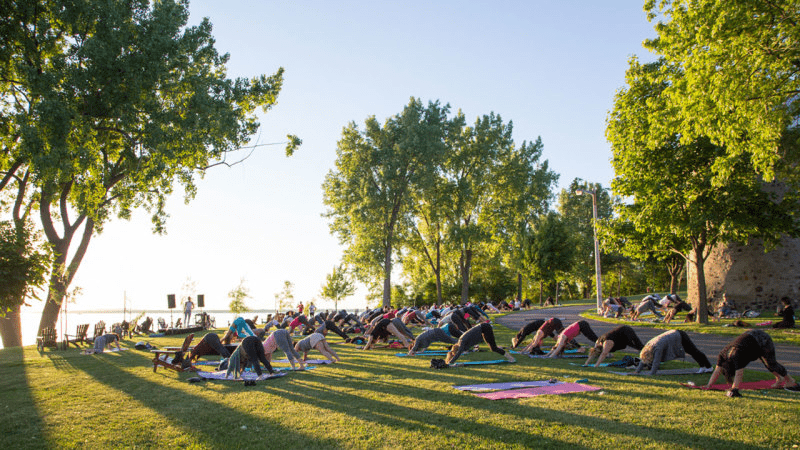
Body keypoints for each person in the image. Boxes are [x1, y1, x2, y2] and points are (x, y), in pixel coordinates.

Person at [705, 329, 800, 396]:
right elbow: (717, 370)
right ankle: (779, 379)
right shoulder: (722, 355)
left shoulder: (736, 357)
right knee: (768, 363)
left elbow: (739, 374)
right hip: (751, 340)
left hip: (762, 339)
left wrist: (734, 389)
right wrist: (709, 385)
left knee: (771, 363)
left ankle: (790, 380)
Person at [634, 330, 713, 375]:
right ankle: (702, 367)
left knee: (693, 350)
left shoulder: (657, 348)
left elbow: (656, 362)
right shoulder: (647, 348)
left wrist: (652, 373)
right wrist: (637, 371)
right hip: (673, 335)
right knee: (691, 352)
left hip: (679, 335)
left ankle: (709, 367)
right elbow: (643, 359)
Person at [444, 323, 516, 365]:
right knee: (493, 347)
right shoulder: (460, 342)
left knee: (493, 348)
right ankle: (510, 357)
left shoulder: (461, 343)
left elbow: (458, 353)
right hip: (483, 329)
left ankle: (511, 358)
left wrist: (451, 362)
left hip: (485, 328)